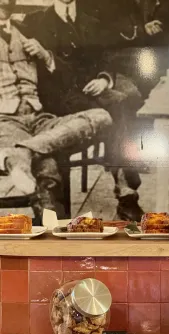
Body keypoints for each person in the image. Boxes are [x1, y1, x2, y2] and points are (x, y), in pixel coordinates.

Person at [24, 0, 145, 221]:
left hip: (90, 91)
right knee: (112, 112)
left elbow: (106, 58)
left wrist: (104, 79)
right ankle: (125, 188)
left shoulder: (92, 20)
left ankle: (125, 189)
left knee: (119, 102)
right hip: (56, 99)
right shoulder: (35, 22)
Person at [0, 0, 112, 220]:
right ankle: (51, 226)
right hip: (4, 121)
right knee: (48, 167)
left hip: (39, 117)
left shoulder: (28, 30)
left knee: (102, 116)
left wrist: (46, 55)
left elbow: (67, 77)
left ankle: (24, 151)